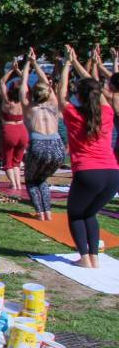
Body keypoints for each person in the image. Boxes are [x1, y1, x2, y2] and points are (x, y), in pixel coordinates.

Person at [57, 45, 119, 268]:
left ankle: (84, 258)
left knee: (75, 214)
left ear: (79, 96)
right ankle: (94, 259)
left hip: (88, 172)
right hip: (112, 174)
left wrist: (67, 64)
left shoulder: (73, 114)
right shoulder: (108, 112)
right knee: (90, 214)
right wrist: (77, 65)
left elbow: (60, 93)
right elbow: (98, 93)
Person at [21, 49, 66, 221]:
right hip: (57, 145)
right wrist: (36, 63)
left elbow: (23, 85)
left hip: (38, 144)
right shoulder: (53, 104)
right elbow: (45, 82)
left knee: (32, 179)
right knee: (43, 178)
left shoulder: (29, 107)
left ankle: (40, 212)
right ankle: (48, 211)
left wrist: (27, 65)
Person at [0, 63, 29, 192]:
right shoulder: (24, 101)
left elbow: (1, 82)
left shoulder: (7, 101)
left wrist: (11, 70)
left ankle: (14, 184)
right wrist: (19, 71)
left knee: (8, 160)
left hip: (10, 130)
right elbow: (25, 83)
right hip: (22, 130)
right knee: (17, 161)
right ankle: (18, 184)